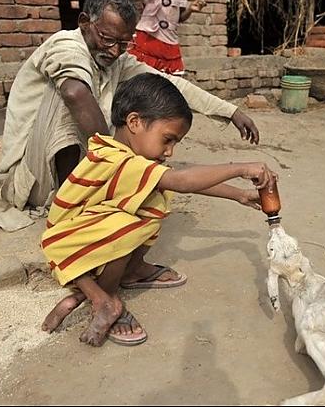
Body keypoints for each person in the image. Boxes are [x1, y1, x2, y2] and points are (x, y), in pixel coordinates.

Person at [0, 0, 259, 234]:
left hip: (85, 167)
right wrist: (116, 158)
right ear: (85, 23)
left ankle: (92, 189)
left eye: (124, 42)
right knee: (71, 94)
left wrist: (230, 111)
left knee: (142, 135)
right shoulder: (66, 45)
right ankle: (70, 207)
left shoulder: (116, 60)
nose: (115, 50)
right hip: (31, 181)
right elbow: (73, 92)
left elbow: (171, 83)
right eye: (107, 38)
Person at [40, 72, 277, 347]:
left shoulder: (128, 155)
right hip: (65, 241)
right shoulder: (115, 158)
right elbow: (182, 181)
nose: (170, 151)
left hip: (83, 238)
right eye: (168, 139)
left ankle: (121, 275)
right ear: (135, 122)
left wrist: (238, 195)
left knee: (154, 199)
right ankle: (104, 298)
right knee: (127, 223)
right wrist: (241, 168)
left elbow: (176, 178)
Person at [129, 0, 204, 74]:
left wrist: (190, 10)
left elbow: (178, 18)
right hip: (148, 38)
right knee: (141, 77)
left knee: (169, 83)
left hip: (169, 41)